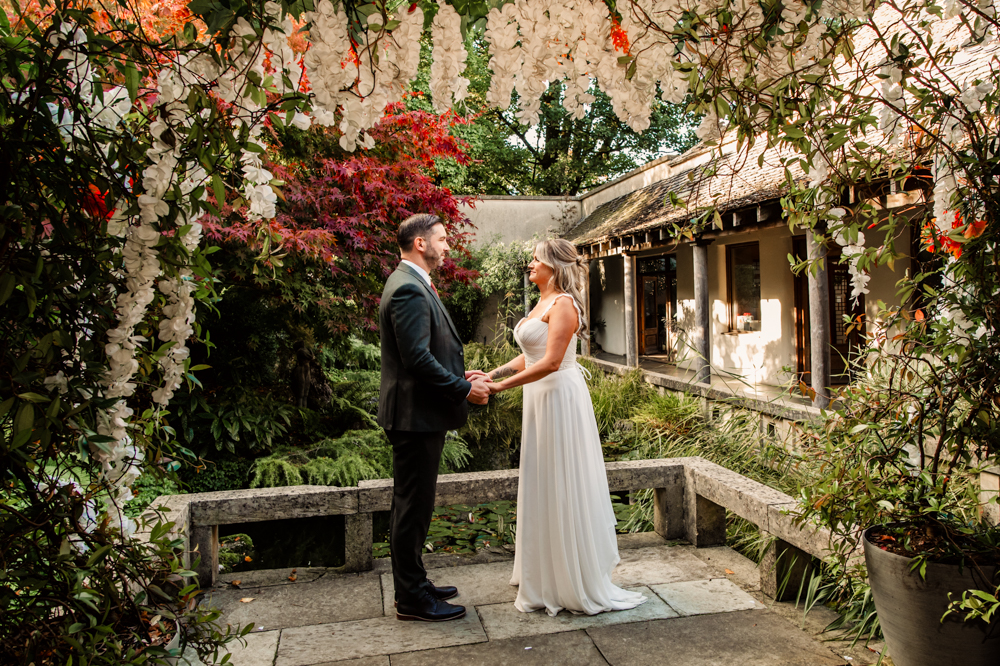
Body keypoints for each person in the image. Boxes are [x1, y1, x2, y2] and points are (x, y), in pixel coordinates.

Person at [486, 238, 647, 616]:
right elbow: (530, 356)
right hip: (539, 397)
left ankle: (569, 577)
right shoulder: (542, 301)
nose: (530, 264)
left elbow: (552, 362)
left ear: (553, 266)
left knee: (561, 478)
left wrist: (498, 388)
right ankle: (543, 572)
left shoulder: (564, 305)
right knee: (542, 477)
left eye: (536, 259)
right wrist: (492, 373)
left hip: (559, 397)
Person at [378, 214, 492, 622]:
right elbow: (416, 359)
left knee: (415, 505)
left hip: (418, 414)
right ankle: (411, 599)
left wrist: (457, 373)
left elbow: (424, 352)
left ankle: (415, 583)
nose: (447, 246)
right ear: (420, 243)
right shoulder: (408, 288)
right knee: (412, 508)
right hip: (414, 417)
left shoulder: (411, 281)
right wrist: (463, 389)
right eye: (442, 239)